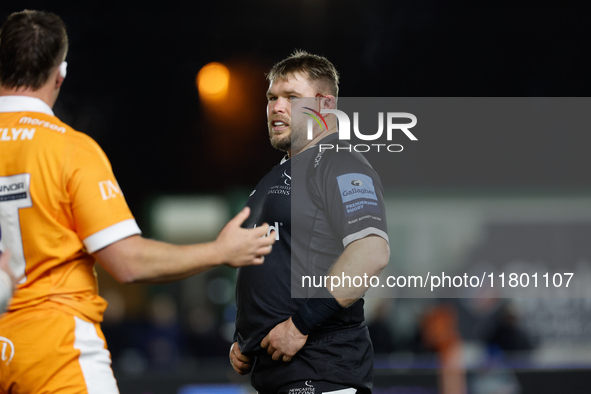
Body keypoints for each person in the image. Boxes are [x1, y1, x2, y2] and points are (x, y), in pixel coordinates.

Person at [0, 10, 275, 394]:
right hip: (55, 354)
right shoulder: (70, 150)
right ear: (60, 73)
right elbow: (127, 263)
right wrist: (219, 251)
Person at [230, 50, 390, 394]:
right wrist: (244, 338)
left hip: (322, 372)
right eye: (272, 98)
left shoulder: (340, 162)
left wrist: (298, 326)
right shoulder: (276, 175)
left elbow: (371, 252)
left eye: (291, 97)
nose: (277, 107)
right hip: (277, 376)